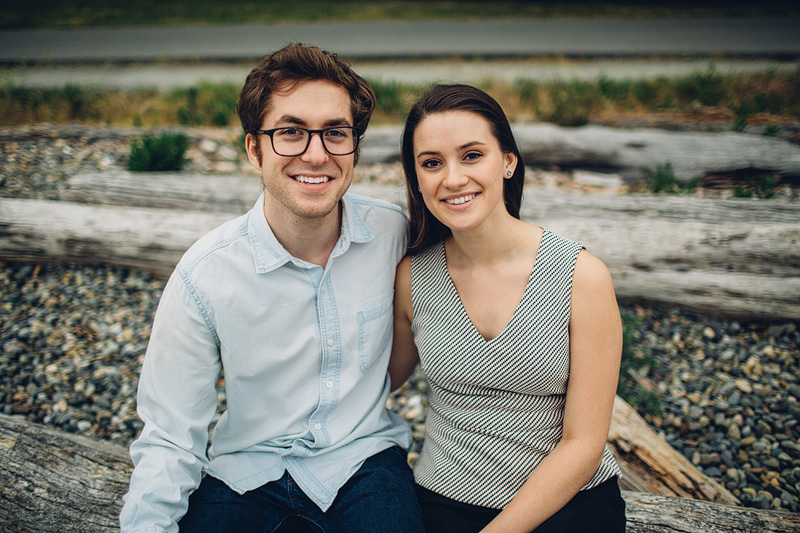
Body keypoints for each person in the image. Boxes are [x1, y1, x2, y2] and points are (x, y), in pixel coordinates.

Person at [120, 43, 424, 533]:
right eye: (291, 132)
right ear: (253, 149)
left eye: (335, 133)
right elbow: (171, 437)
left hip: (365, 462)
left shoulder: (394, 235)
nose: (316, 153)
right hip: (244, 474)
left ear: (354, 148)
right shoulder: (205, 275)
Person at [389, 84, 626, 533]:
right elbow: (376, 381)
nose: (453, 178)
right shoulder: (412, 279)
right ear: (417, 179)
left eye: (472, 155)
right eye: (432, 163)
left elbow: (584, 443)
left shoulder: (582, 277)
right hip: (443, 502)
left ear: (509, 161)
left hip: (569, 504)